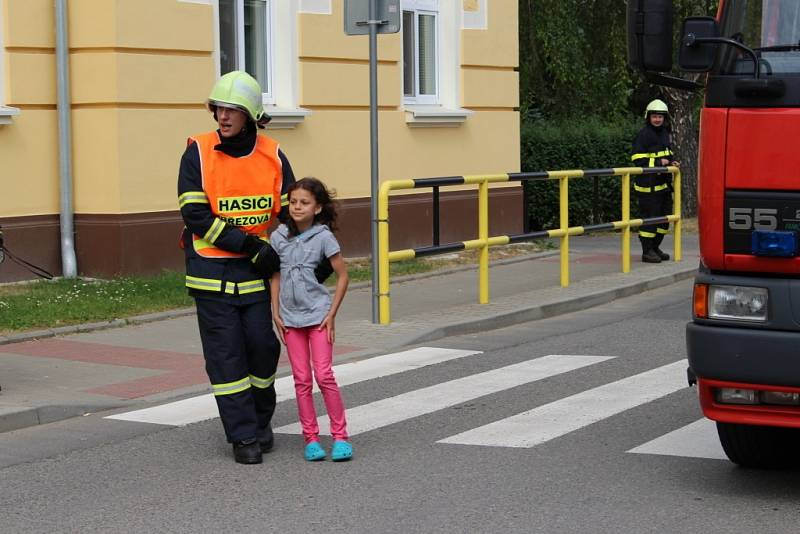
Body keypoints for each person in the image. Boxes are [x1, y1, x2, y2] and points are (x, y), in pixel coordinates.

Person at [177, 70, 293, 464]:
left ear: (252, 115)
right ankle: (242, 436)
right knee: (227, 358)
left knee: (262, 351)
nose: (223, 117)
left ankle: (261, 422)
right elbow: (195, 214)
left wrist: (308, 254)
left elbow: (292, 213)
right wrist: (248, 245)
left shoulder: (273, 154)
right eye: (218, 108)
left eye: (233, 110)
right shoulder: (197, 152)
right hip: (211, 274)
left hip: (258, 276)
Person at [269, 177, 353, 462]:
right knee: (301, 379)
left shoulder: (324, 237)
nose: (297, 207)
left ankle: (340, 437)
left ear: (317, 208)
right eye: (293, 202)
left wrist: (331, 314)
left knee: (324, 375)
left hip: (318, 317)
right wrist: (275, 312)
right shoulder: (278, 237)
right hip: (290, 320)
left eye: (304, 203)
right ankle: (311, 439)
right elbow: (276, 275)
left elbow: (343, 275)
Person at [631, 98, 680, 264]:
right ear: (648, 117)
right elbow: (637, 159)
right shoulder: (644, 135)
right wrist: (659, 163)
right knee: (650, 220)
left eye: (660, 116)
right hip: (648, 188)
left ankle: (655, 247)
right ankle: (647, 251)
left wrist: (671, 161)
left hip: (663, 186)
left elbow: (667, 153)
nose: (657, 119)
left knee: (664, 220)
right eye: (654, 116)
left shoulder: (665, 133)